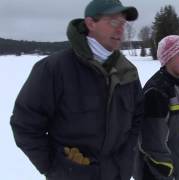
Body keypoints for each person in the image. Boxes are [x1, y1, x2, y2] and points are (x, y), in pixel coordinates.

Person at [10, 0, 143, 180]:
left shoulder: (128, 72)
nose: (120, 29)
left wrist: (126, 161)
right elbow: (25, 124)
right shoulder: (54, 69)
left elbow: (136, 120)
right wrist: (55, 167)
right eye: (113, 22)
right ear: (90, 23)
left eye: (122, 23)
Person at [134, 35, 179, 180]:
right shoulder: (157, 91)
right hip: (159, 172)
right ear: (167, 57)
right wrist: (164, 169)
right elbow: (152, 140)